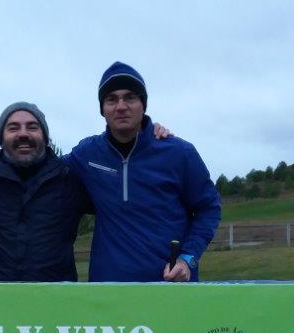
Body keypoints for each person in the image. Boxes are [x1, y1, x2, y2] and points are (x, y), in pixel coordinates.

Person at [66, 62, 221, 282]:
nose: (121, 106)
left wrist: (187, 258)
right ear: (102, 109)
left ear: (143, 105)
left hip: (171, 289)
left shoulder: (179, 153)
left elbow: (209, 208)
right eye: (111, 99)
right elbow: (43, 166)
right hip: (108, 294)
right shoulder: (87, 154)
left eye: (130, 97)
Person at [0, 103, 91, 281]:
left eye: (32, 127)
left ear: (45, 136)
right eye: (13, 128)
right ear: (1, 139)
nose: (23, 134)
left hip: (58, 303)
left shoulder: (71, 180)